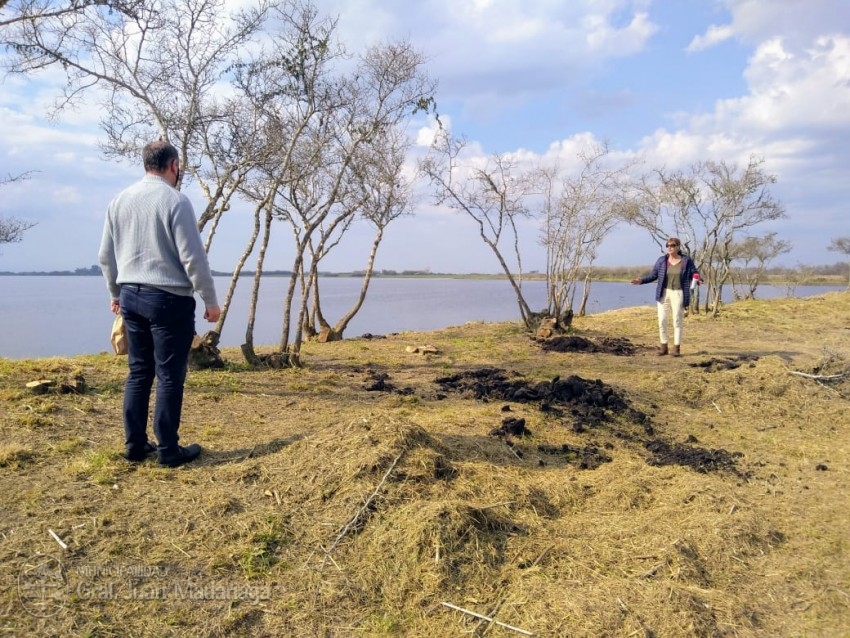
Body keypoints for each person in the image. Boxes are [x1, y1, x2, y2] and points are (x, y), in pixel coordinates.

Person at [99, 140, 221, 467]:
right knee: (169, 375)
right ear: (173, 165)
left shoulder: (119, 201)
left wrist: (115, 294)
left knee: (139, 371)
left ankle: (135, 445)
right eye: (178, 167)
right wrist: (210, 300)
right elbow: (193, 258)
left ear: (145, 164)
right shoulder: (175, 201)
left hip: (130, 295)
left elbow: (105, 257)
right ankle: (168, 450)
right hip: (168, 299)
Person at [630, 237, 700, 357]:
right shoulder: (662, 260)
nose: (669, 247)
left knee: (677, 320)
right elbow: (653, 275)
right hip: (664, 293)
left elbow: (694, 272)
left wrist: (698, 279)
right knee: (662, 320)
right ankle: (664, 347)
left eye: (672, 245)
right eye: (667, 245)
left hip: (678, 293)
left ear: (678, 247)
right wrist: (641, 280)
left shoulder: (686, 261)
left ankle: (676, 348)